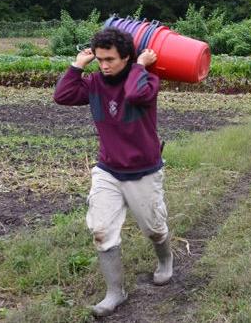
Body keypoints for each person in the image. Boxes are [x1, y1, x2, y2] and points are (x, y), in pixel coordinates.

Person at [54, 28, 172, 317]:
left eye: (110, 59)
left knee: (154, 228)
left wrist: (141, 66)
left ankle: (165, 260)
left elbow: (133, 94)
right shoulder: (93, 82)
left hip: (143, 169)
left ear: (127, 57)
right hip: (108, 169)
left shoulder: (147, 81)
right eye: (99, 59)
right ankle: (114, 293)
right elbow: (63, 95)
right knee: (101, 230)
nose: (104, 65)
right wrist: (77, 66)